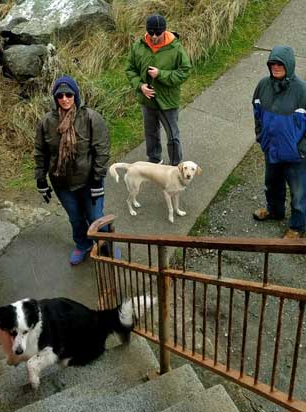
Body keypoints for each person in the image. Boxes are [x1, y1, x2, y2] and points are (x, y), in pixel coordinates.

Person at [34, 75, 110, 264]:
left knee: (95, 217)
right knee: (75, 218)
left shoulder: (91, 117)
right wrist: (41, 180)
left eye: (69, 94)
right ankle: (82, 244)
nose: (65, 99)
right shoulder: (47, 122)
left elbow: (102, 149)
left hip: (88, 179)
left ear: (75, 95)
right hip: (61, 182)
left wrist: (97, 179)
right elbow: (40, 152)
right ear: (55, 98)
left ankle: (106, 246)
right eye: (60, 96)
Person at [252, 45, 306, 238]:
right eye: (272, 63)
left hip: (296, 156)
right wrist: (261, 136)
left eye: (280, 63)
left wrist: (303, 148)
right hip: (272, 150)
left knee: (299, 193)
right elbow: (256, 111)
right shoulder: (263, 86)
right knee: (272, 185)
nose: (276, 67)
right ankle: (274, 211)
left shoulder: (305, 91)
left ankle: (296, 228)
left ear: (289, 65)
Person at [126, 14, 191, 166]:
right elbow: (130, 69)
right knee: (150, 133)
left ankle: (176, 165)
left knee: (173, 136)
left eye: (158, 33)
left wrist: (160, 74)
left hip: (167, 101)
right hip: (147, 100)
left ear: (164, 30)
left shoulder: (176, 48)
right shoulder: (138, 46)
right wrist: (140, 86)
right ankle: (154, 160)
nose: (154, 37)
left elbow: (185, 71)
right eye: (151, 33)